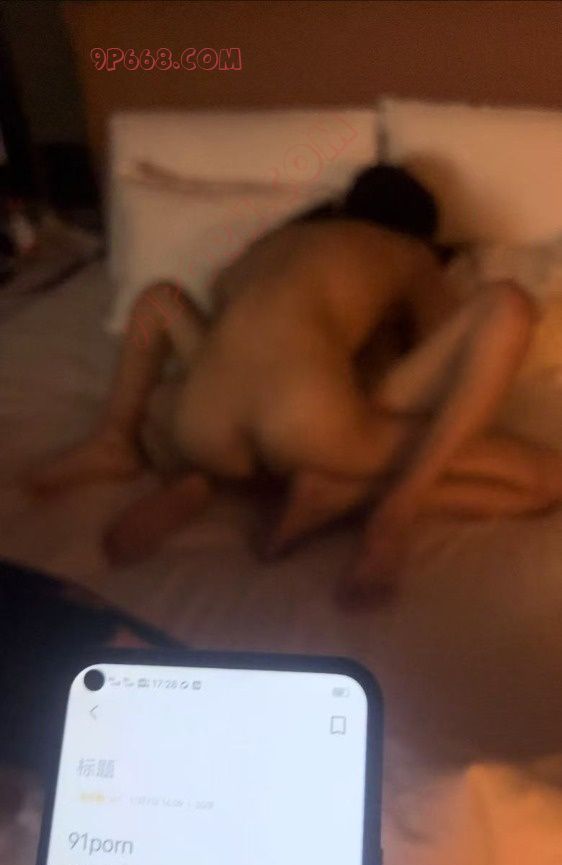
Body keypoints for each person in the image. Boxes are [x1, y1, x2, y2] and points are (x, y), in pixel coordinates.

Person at [27, 167, 562, 603]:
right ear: (421, 229)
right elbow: (444, 362)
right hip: (311, 425)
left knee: (161, 296)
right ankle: (376, 501)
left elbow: (240, 357)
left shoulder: (261, 251)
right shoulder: (407, 251)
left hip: (202, 429)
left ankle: (127, 446)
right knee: (542, 463)